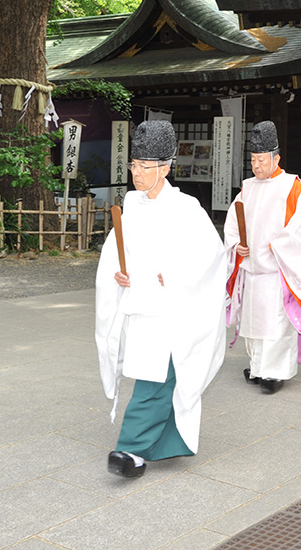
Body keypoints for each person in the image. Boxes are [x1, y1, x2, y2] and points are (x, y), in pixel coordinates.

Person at [95, 120, 227, 479]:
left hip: (170, 309)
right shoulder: (132, 206)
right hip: (139, 306)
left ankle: (131, 450)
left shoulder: (186, 208)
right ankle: (167, 442)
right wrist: (119, 275)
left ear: (166, 168)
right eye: (134, 165)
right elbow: (116, 253)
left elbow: (211, 257)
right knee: (152, 376)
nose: (137, 174)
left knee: (156, 379)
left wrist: (175, 277)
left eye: (145, 167)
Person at [224, 121, 301, 394]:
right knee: (255, 325)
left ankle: (275, 373)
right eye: (253, 160)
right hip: (252, 270)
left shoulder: (292, 187)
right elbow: (233, 223)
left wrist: (279, 245)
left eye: (261, 160)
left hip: (276, 270)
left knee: (276, 324)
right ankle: (257, 366)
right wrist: (237, 245)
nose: (256, 166)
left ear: (276, 158)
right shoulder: (247, 187)